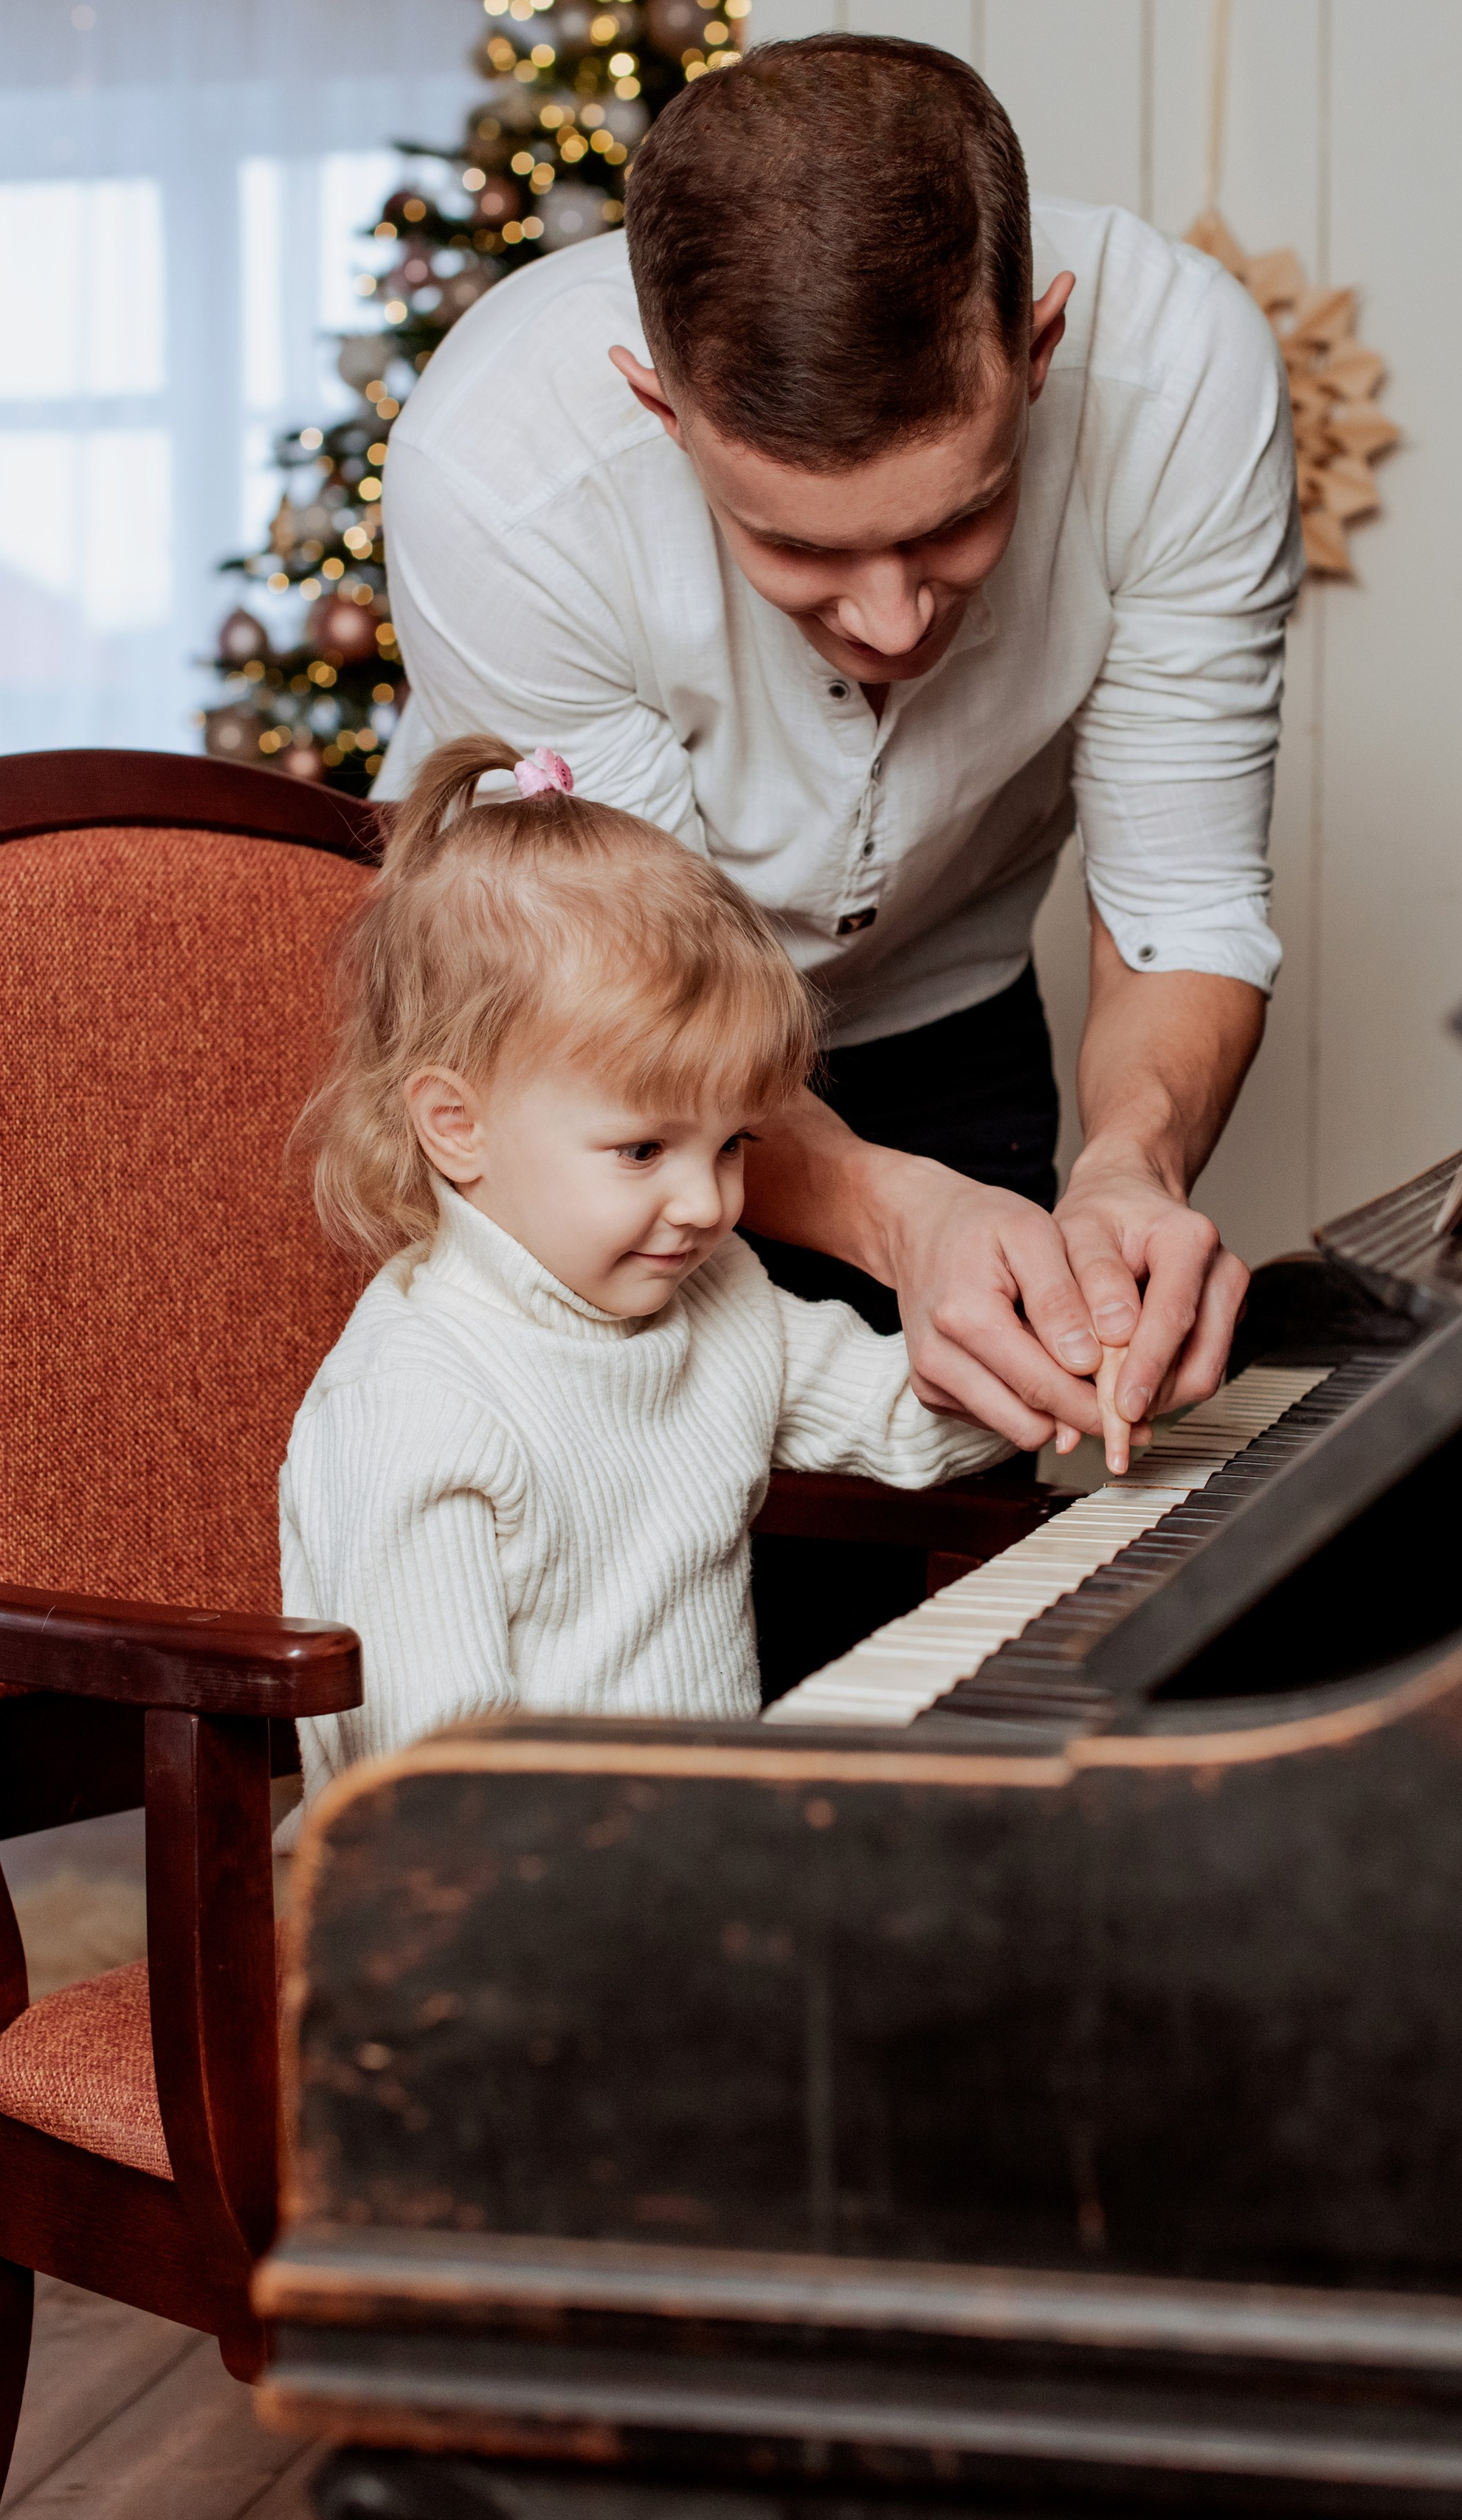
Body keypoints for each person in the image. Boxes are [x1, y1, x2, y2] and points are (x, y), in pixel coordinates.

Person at [379, 33, 1302, 1455]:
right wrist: (894, 1211)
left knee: (933, 1590)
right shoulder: (502, 470)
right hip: (585, 1084)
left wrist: (1132, 1169)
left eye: (953, 521)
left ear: (1039, 348)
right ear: (663, 412)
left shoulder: (1185, 388)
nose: (888, 618)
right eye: (798, 547)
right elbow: (637, 1007)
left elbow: (1182, 908)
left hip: (944, 1007)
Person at [279, 732, 1054, 1812]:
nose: (709, 1203)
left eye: (733, 1142)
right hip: (476, 1917)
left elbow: (906, 1420)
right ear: (457, 1125)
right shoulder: (420, 1399)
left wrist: (1073, 1351)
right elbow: (439, 1793)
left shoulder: (720, 1293)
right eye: (644, 1150)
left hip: (680, 1870)